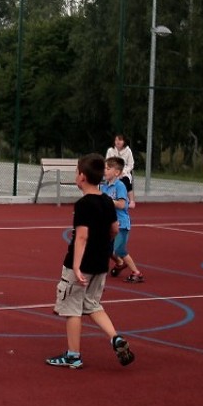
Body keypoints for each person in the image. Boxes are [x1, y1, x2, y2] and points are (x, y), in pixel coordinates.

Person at [46, 153, 135, 369]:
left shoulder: (84, 204)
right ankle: (115, 337)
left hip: (82, 265)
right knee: (93, 304)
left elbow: (82, 236)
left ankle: (73, 355)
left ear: (82, 177)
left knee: (72, 309)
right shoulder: (106, 200)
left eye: (76, 172)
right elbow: (114, 229)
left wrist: (76, 265)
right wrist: (103, 246)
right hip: (100, 264)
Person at [102, 157, 145, 283]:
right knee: (107, 248)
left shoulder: (120, 186)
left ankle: (136, 272)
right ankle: (120, 263)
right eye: (105, 167)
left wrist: (107, 201)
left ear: (117, 172)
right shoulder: (104, 187)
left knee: (119, 249)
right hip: (110, 224)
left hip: (121, 223)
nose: (105, 170)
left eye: (108, 168)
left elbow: (121, 204)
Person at [106, 134, 136, 209]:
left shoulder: (128, 151)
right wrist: (112, 171)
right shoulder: (110, 150)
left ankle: (131, 200)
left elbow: (131, 164)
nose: (118, 142)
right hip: (112, 171)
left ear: (124, 142)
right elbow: (107, 162)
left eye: (120, 140)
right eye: (116, 140)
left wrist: (123, 172)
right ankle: (110, 198)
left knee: (126, 180)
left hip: (124, 172)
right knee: (109, 181)